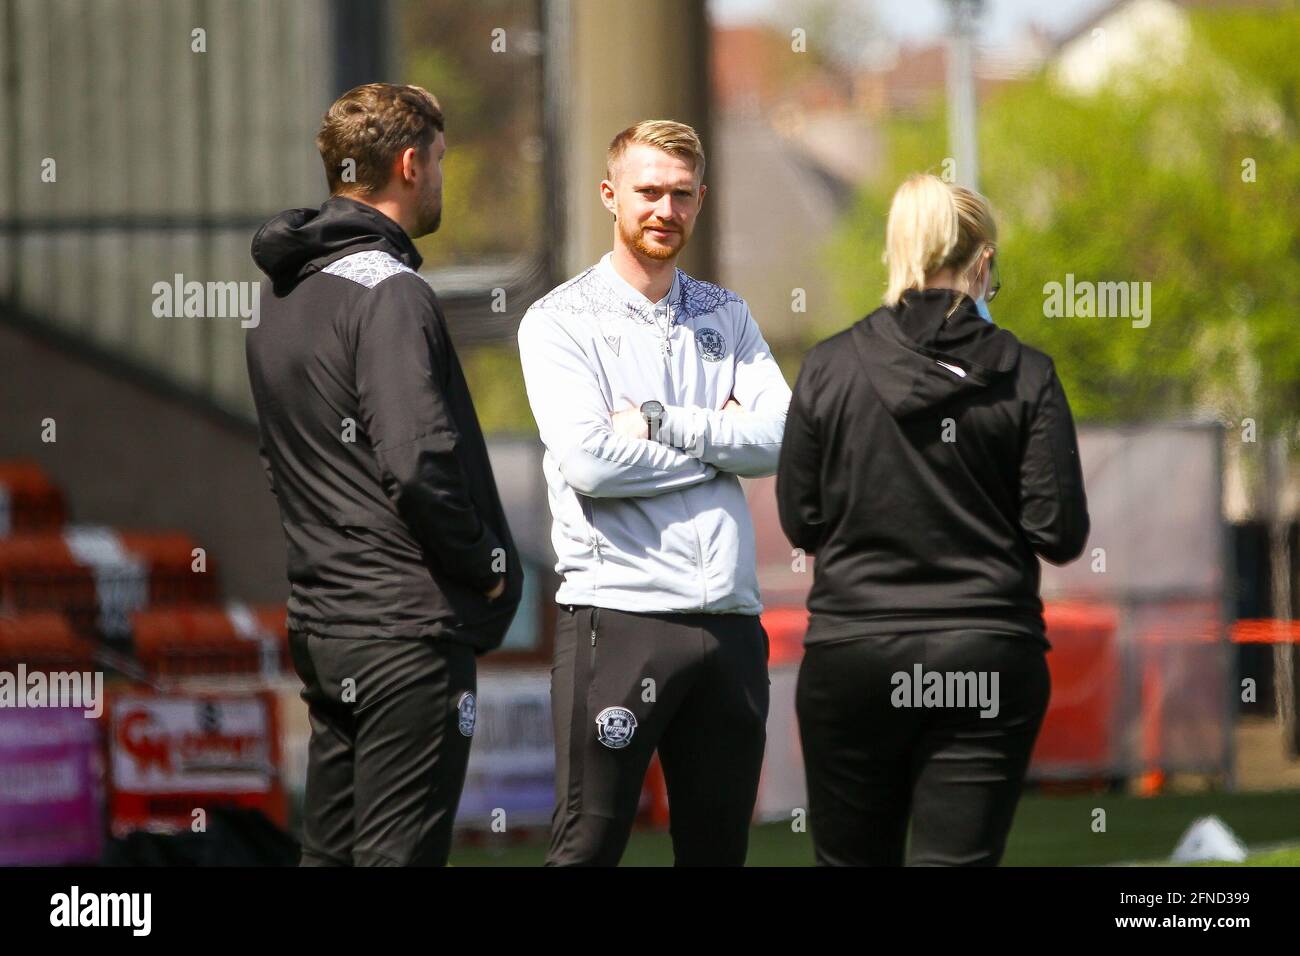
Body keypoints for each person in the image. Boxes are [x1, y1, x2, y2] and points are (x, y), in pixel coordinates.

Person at [777, 173, 1089, 866]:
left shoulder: (827, 368)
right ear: (982, 263)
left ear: (896, 253)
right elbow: (1059, 534)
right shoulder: (1027, 375)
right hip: (983, 651)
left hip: (854, 654)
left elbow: (801, 522)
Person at [247, 83, 522, 866]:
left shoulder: (280, 296)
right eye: (438, 159)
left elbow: (283, 464)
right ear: (408, 164)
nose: (441, 175)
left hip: (325, 624)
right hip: (405, 634)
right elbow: (417, 459)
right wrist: (488, 568)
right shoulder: (392, 291)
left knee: (330, 858)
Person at [517, 120, 791, 866]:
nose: (664, 210)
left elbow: (787, 439)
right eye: (648, 192)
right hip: (619, 616)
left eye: (680, 194)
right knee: (588, 847)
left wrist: (663, 426)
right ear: (610, 195)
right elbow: (591, 463)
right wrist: (719, 450)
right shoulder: (559, 320)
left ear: (701, 200)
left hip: (731, 623)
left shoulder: (726, 315)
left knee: (717, 853)